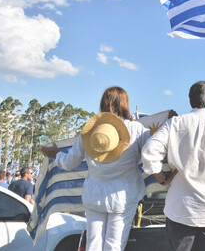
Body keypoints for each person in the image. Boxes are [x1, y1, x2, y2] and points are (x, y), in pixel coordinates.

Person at [41, 86, 150, 251]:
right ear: (125, 104)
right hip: (124, 197)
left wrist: (56, 154)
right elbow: (153, 153)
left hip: (94, 195)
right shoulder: (136, 129)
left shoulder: (90, 130)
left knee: (93, 245)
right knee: (114, 246)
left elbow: (69, 163)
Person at [142, 81, 205, 251]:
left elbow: (149, 153)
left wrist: (163, 179)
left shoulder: (175, 124)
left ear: (190, 101)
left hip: (181, 208)